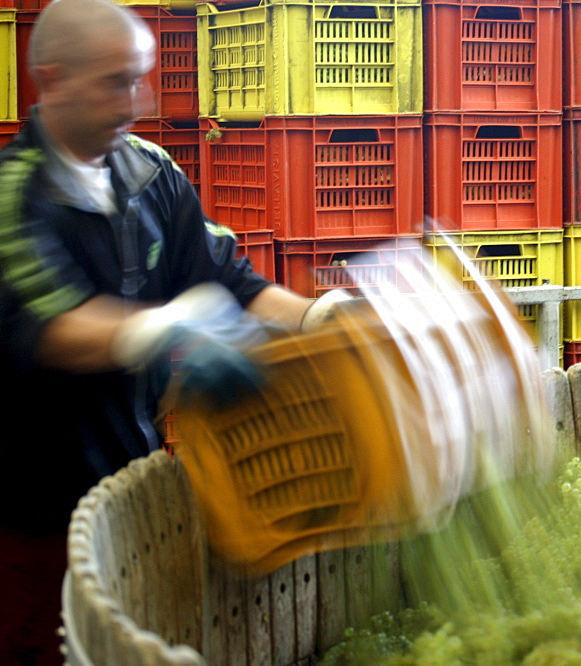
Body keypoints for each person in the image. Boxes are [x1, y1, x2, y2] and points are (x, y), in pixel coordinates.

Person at [0, 0, 340, 661]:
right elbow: (51, 324)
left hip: (136, 480)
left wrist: (321, 316)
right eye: (116, 81)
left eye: (142, 77)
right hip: (33, 506)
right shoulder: (16, 197)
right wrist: (162, 329)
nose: (137, 99)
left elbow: (229, 277)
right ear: (53, 79)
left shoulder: (151, 173)